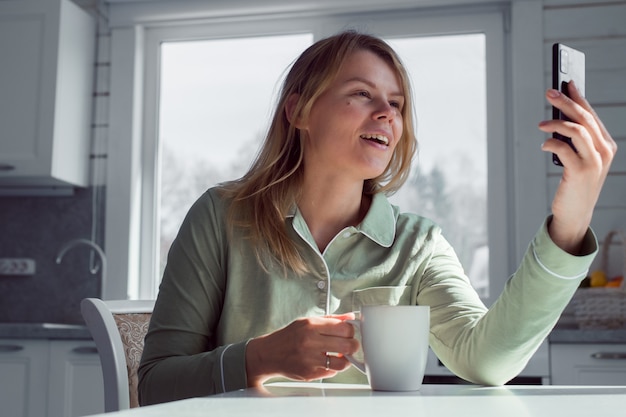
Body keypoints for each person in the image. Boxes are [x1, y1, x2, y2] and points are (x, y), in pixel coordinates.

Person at [138, 31, 617, 405]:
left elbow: (487, 360)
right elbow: (156, 384)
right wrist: (261, 357)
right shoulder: (221, 217)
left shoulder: (418, 245)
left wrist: (572, 217)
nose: (387, 113)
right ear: (299, 110)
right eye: (362, 94)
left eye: (397, 104)